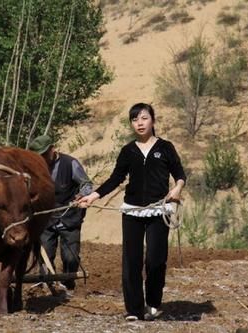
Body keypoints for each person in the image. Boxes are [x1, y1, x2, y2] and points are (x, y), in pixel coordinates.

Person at [77, 103, 186, 321]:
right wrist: (93, 196)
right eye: (135, 120)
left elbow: (180, 174)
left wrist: (177, 188)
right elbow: (116, 178)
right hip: (132, 211)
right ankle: (134, 310)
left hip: (158, 211)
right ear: (131, 124)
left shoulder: (165, 148)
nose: (140, 123)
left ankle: (153, 303)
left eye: (144, 118)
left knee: (156, 260)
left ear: (152, 121)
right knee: (131, 261)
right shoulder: (128, 151)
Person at [28, 135, 93, 291]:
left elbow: (86, 184)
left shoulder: (70, 163)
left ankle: (68, 282)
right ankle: (48, 284)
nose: (42, 158)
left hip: (69, 217)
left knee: (70, 258)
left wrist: (82, 195)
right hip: (45, 219)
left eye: (44, 154)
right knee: (45, 255)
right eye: (39, 156)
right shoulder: (34, 168)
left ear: (52, 149)